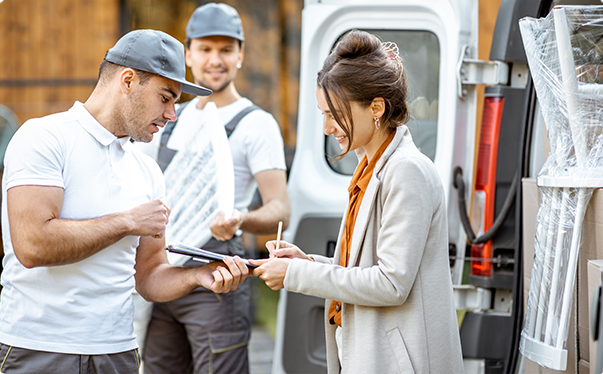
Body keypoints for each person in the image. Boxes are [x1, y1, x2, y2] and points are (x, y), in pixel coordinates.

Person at [0, 29, 249, 373]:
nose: (171, 114)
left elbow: (148, 275)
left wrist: (197, 276)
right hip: (38, 349)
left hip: (118, 353)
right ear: (128, 80)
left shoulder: (147, 171)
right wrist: (127, 222)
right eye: (166, 97)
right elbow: (32, 246)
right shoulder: (43, 138)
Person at [251, 30, 464, 373]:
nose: (326, 127)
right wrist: (309, 262)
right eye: (322, 113)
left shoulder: (405, 171)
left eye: (334, 114)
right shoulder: (370, 165)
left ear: (376, 107)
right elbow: (364, 266)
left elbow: (391, 283)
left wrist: (296, 273)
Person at [139, 3, 289, 374]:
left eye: (225, 49)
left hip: (219, 275)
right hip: (164, 275)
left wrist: (240, 218)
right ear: (188, 54)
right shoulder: (170, 116)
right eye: (205, 49)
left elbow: (280, 207)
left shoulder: (257, 124)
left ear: (240, 55)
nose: (215, 59)